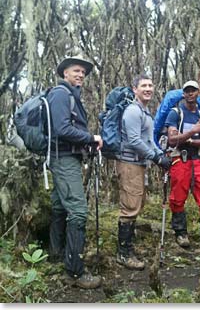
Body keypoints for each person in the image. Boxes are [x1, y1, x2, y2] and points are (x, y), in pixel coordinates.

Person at [47, 56, 103, 289]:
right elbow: (62, 128)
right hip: (63, 159)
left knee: (60, 206)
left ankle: (55, 254)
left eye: (83, 72)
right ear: (65, 73)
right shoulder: (61, 94)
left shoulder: (71, 96)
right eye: (76, 71)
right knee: (78, 212)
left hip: (65, 157)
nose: (81, 75)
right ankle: (74, 272)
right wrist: (91, 137)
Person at [116, 74, 171, 270]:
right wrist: (156, 158)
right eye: (143, 86)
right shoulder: (132, 111)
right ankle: (123, 254)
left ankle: (128, 248)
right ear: (135, 90)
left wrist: (161, 156)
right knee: (130, 206)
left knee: (136, 204)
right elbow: (133, 140)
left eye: (150, 85)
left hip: (140, 165)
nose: (148, 88)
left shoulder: (145, 112)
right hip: (129, 164)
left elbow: (149, 141)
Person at [165, 80, 200, 248]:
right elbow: (172, 140)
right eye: (187, 90)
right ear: (183, 94)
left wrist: (189, 140)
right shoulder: (175, 113)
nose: (190, 93)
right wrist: (192, 133)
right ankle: (181, 233)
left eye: (193, 90)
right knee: (178, 197)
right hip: (179, 158)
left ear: (198, 93)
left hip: (196, 159)